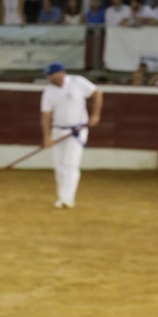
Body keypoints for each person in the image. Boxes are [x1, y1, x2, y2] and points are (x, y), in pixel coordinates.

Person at [40, 62, 103, 209]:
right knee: (59, 164)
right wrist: (47, 136)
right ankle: (62, 196)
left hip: (77, 130)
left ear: (60, 73)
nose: (48, 77)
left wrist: (95, 115)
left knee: (70, 163)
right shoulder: (49, 91)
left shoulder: (77, 82)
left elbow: (97, 93)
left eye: (50, 74)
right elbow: (45, 115)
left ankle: (67, 198)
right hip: (58, 130)